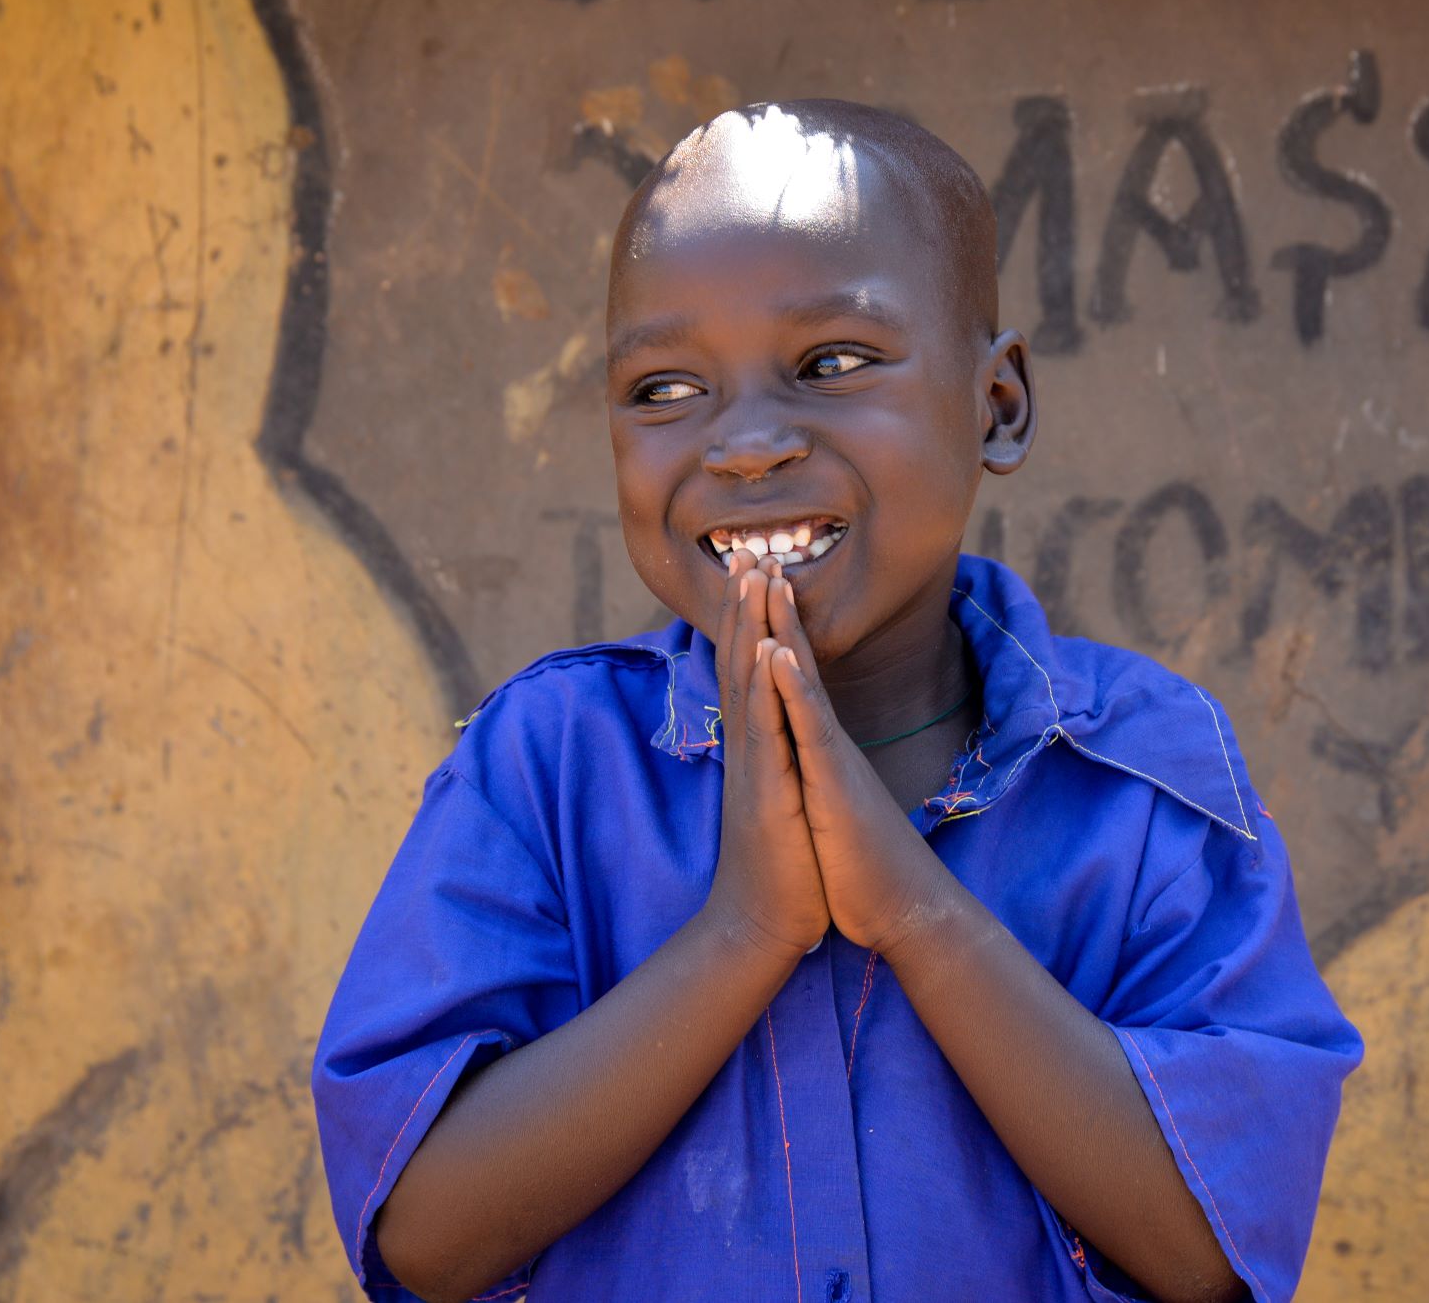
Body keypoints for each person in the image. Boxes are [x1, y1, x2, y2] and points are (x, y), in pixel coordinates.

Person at [311, 100, 1362, 1303]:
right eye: (664, 388)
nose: (746, 444)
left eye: (832, 364)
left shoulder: (1140, 782)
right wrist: (743, 931)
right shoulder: (545, 773)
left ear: (998, 405)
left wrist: (913, 910)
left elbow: (1216, 1251)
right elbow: (420, 1238)